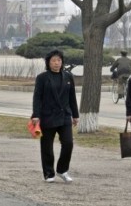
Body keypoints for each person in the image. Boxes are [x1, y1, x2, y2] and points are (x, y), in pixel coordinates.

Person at [31, 49, 79, 183]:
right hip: (47, 115)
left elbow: (72, 97)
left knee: (68, 143)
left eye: (59, 60)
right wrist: (36, 115)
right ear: (48, 62)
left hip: (64, 115)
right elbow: (37, 97)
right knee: (47, 146)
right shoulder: (42, 78)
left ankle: (62, 170)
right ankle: (48, 173)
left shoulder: (68, 76)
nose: (56, 63)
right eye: (53, 60)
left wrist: (75, 115)